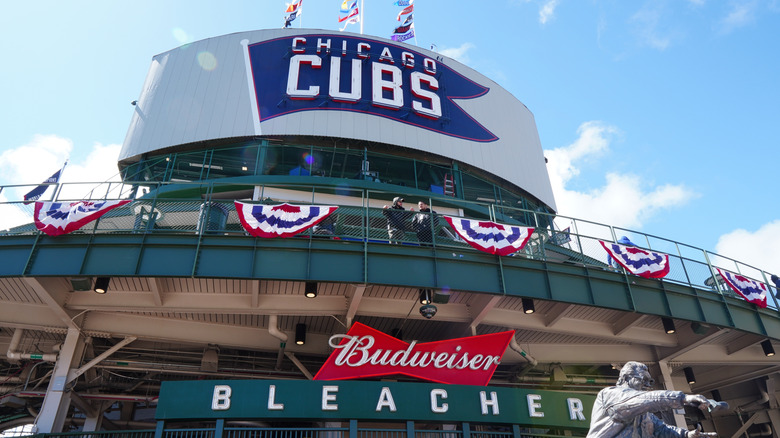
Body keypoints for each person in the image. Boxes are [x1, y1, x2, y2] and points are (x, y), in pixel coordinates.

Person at [588, 362, 719, 438]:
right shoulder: (610, 395)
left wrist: (686, 434)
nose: (647, 385)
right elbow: (641, 399)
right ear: (626, 378)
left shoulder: (644, 414)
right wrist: (684, 398)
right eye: (642, 380)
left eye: (649, 381)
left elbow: (661, 429)